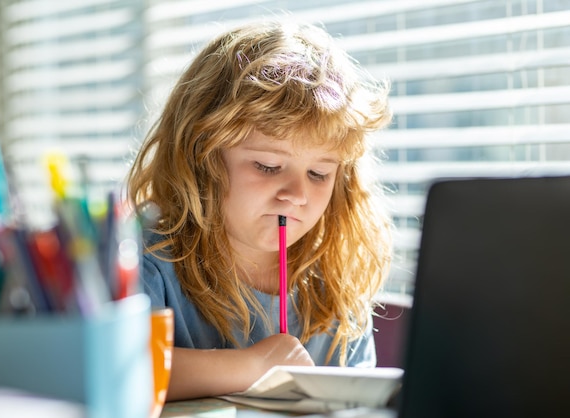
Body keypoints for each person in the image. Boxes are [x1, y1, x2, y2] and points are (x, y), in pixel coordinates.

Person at [126, 18, 393, 401]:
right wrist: (253, 367)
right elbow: (117, 370)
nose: (297, 194)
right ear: (199, 157)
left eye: (319, 173)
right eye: (268, 166)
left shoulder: (334, 292)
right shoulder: (148, 264)